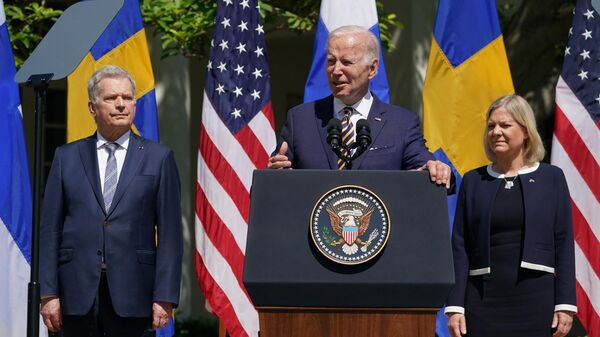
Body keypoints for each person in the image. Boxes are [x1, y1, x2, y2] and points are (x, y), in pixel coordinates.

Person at [39, 65, 183, 337]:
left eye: (127, 98)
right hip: (75, 293)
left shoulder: (159, 158)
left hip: (134, 293)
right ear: (93, 108)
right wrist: (49, 293)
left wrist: (164, 296)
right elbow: (50, 230)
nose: (120, 105)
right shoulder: (66, 157)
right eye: (111, 98)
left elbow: (171, 235)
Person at [445, 94, 577, 337]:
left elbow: (564, 242)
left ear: (526, 131)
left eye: (505, 125)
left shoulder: (552, 178)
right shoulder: (474, 181)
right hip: (482, 301)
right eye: (491, 126)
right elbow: (460, 246)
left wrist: (566, 304)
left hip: (537, 301)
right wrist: (455, 306)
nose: (496, 132)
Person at [267, 25, 451, 188]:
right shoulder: (300, 119)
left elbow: (426, 174)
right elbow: (273, 185)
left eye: (346, 62)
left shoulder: (401, 123)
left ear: (372, 69)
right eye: (331, 61)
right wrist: (275, 175)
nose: (336, 71)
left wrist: (434, 170)